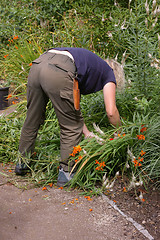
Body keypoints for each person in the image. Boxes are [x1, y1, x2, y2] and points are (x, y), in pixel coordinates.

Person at [15, 47, 125, 186]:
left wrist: (86, 132)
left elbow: (74, 109)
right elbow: (111, 112)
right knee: (70, 127)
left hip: (38, 64)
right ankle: (66, 173)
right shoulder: (109, 74)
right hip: (58, 70)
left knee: (32, 118)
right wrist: (120, 133)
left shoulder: (87, 65)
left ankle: (22, 163)